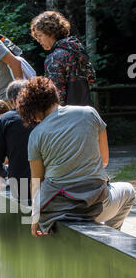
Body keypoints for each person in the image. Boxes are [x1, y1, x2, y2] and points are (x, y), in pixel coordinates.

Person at [17, 76, 135, 237]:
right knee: (128, 191)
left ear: (32, 109)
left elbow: (36, 181)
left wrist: (34, 218)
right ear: (54, 96)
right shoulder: (89, 113)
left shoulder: (36, 135)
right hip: (94, 206)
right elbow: (104, 160)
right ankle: (110, 240)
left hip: (54, 211)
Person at [30, 11, 96, 106]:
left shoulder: (54, 58)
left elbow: (55, 94)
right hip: (87, 111)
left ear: (50, 32)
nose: (38, 40)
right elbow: (92, 79)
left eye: (40, 35)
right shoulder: (78, 51)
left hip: (67, 115)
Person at [0, 80, 33, 202]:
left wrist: (7, 174)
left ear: (12, 101)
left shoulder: (6, 119)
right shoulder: (45, 116)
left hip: (19, 183)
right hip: (49, 183)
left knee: (22, 216)